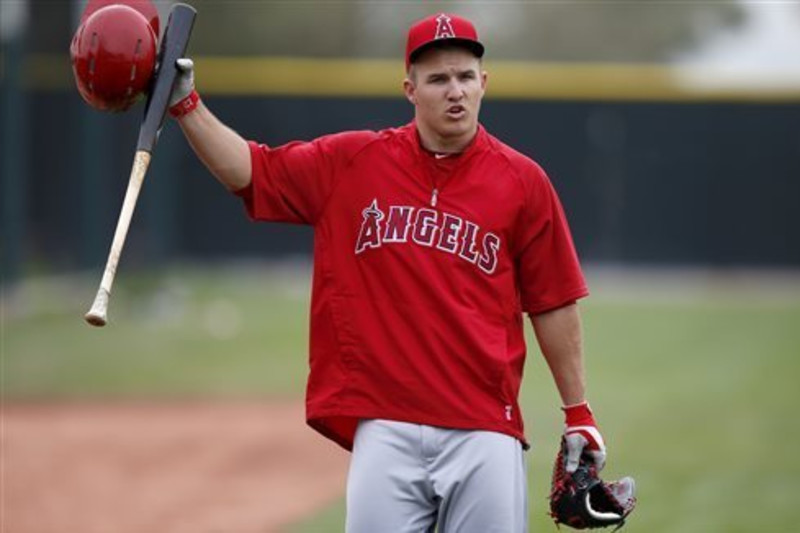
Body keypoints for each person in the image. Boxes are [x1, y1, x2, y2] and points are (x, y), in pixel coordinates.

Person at [169, 12, 611, 532]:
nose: (455, 91)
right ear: (410, 89)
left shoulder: (523, 181)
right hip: (386, 428)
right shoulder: (354, 163)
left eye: (466, 77)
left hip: (484, 430)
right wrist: (185, 105)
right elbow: (251, 170)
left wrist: (577, 410)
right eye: (438, 78)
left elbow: (553, 300)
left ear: (484, 84)